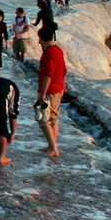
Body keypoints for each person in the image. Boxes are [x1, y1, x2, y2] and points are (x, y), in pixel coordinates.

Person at [36, 26, 67, 157]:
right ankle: (52, 145)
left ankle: (53, 148)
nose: (38, 42)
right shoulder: (58, 50)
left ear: (42, 38)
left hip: (50, 90)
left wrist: (42, 94)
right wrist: (63, 86)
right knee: (54, 118)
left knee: (43, 119)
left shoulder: (48, 53)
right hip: (58, 88)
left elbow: (48, 75)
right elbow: (64, 71)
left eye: (39, 39)